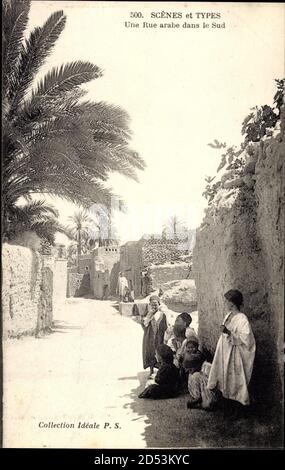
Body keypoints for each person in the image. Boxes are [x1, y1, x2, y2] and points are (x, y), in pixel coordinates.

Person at [207, 289, 256, 406]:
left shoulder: (242, 318)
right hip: (225, 350)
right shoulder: (228, 315)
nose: (225, 303)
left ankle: (238, 405)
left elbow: (246, 338)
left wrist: (229, 332)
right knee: (224, 377)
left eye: (226, 301)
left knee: (235, 380)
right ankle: (227, 402)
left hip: (235, 353)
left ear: (232, 302)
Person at [141, 295, 168, 377]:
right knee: (150, 352)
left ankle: (160, 370)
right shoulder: (147, 314)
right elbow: (144, 325)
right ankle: (151, 370)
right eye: (152, 304)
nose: (154, 306)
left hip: (159, 337)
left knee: (159, 352)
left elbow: (165, 327)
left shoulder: (162, 315)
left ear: (159, 304)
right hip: (149, 337)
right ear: (150, 305)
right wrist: (149, 317)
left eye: (155, 304)